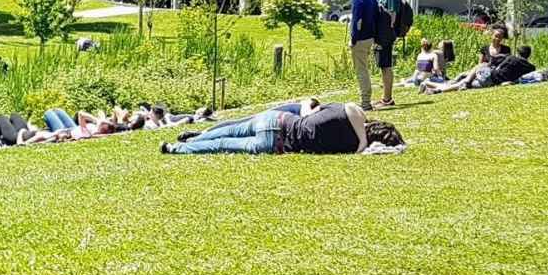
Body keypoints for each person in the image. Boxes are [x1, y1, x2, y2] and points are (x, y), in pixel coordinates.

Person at [162, 101, 401, 155]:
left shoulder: (353, 112)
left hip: (280, 120)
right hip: (277, 143)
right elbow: (358, 127)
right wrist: (362, 144)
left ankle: (196, 137)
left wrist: (362, 140)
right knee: (226, 143)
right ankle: (176, 148)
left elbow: (351, 108)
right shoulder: (352, 146)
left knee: (230, 131)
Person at [423, 45, 536, 94]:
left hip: (490, 75)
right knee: (459, 84)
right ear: (528, 55)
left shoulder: (511, 57)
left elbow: (494, 60)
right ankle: (435, 88)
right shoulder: (531, 67)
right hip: (492, 82)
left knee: (478, 67)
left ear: (518, 52)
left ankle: (430, 84)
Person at [347, 0, 378, 109]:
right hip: (370, 36)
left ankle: (365, 102)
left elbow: (357, 20)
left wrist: (353, 38)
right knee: (364, 69)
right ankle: (366, 100)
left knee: (361, 70)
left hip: (360, 39)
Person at [375, 0, 402, 107]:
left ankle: (387, 99)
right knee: (383, 66)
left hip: (386, 36)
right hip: (382, 35)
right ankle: (385, 97)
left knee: (386, 66)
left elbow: (392, 17)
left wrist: (385, 34)